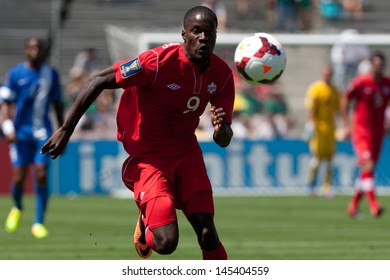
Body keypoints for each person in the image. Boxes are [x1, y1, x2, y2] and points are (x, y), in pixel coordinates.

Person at [41, 6, 234, 259]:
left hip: (187, 154)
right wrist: (66, 129)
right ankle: (146, 223)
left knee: (208, 234)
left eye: (209, 32)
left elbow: (224, 139)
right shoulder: (157, 62)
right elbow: (98, 80)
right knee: (166, 244)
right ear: (184, 34)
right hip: (150, 159)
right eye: (196, 31)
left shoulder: (221, 75)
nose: (203, 38)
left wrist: (221, 130)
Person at [0, 38, 64, 238]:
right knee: (19, 178)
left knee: (41, 173)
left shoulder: (50, 74)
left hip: (42, 133)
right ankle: (17, 207)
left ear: (44, 51)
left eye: (39, 47)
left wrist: (64, 131)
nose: (35, 51)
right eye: (31, 47)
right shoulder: (15, 73)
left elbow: (57, 105)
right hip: (19, 134)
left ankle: (38, 222)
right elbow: (5, 106)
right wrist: (7, 128)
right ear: (25, 50)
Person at [341, 51, 390, 218]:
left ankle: (353, 206)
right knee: (368, 165)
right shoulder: (361, 82)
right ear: (371, 65)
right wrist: (346, 125)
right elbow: (346, 99)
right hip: (361, 131)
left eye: (381, 64)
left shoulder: (387, 83)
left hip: (378, 132)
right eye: (376, 64)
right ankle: (374, 205)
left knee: (368, 170)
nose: (379, 67)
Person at [304, 65, 341, 198]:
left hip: (331, 130)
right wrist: (310, 125)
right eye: (325, 74)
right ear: (322, 74)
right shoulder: (316, 89)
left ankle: (327, 186)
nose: (327, 76)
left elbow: (339, 110)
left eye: (329, 74)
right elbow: (311, 108)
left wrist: (342, 126)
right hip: (318, 129)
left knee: (330, 160)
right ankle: (311, 185)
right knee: (316, 159)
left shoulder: (335, 91)